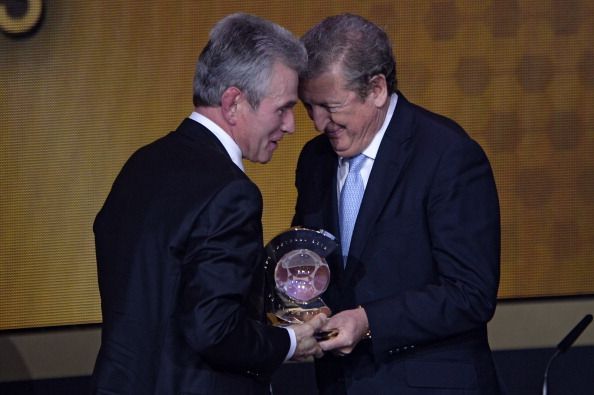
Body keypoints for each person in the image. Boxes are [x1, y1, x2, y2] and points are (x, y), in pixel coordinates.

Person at [91, 13, 326, 395]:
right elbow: (213, 329)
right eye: (282, 108)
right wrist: (292, 341)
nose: (291, 126)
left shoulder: (141, 165)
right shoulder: (230, 193)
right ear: (233, 102)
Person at [292, 14, 502, 394]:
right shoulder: (314, 160)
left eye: (331, 105)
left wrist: (369, 320)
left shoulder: (447, 155)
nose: (319, 122)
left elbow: (470, 294)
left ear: (376, 89)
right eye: (309, 107)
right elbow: (312, 259)